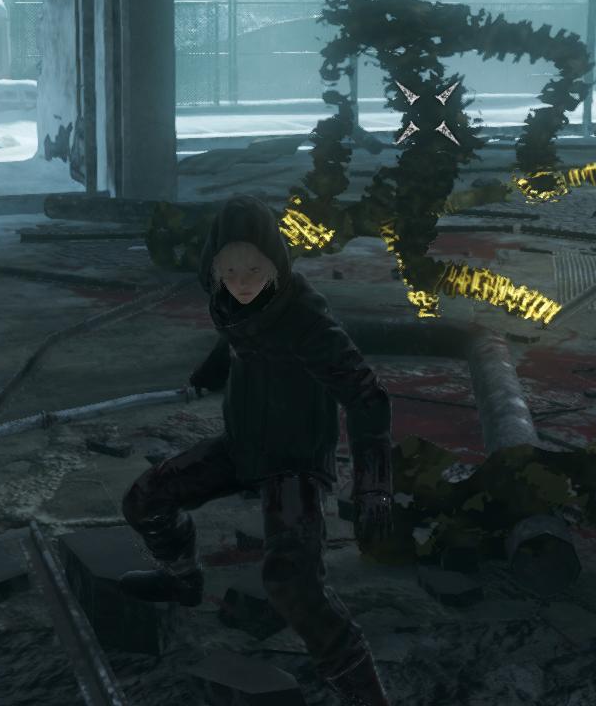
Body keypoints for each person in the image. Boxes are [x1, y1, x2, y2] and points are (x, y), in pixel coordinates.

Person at [119, 195, 395, 706]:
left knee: (292, 583)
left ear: (276, 265)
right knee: (145, 500)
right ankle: (183, 580)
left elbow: (368, 398)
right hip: (242, 445)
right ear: (213, 270)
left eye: (253, 269)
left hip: (294, 463)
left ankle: (366, 697)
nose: (241, 282)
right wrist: (208, 375)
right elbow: (237, 337)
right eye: (229, 270)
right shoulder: (228, 301)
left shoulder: (307, 323)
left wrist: (374, 485)